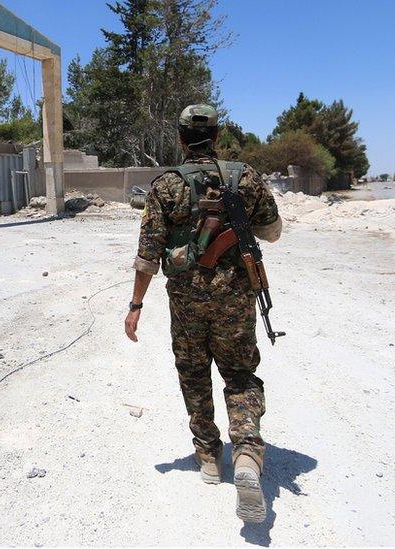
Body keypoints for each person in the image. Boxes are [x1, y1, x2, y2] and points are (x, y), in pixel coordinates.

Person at [123, 104, 283, 523]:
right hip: (236, 300)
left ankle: (210, 457)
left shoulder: (165, 185)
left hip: (188, 302)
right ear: (217, 136)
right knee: (240, 374)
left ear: (179, 138)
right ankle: (247, 451)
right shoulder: (245, 177)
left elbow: (147, 256)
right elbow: (273, 231)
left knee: (194, 374)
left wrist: (136, 306)